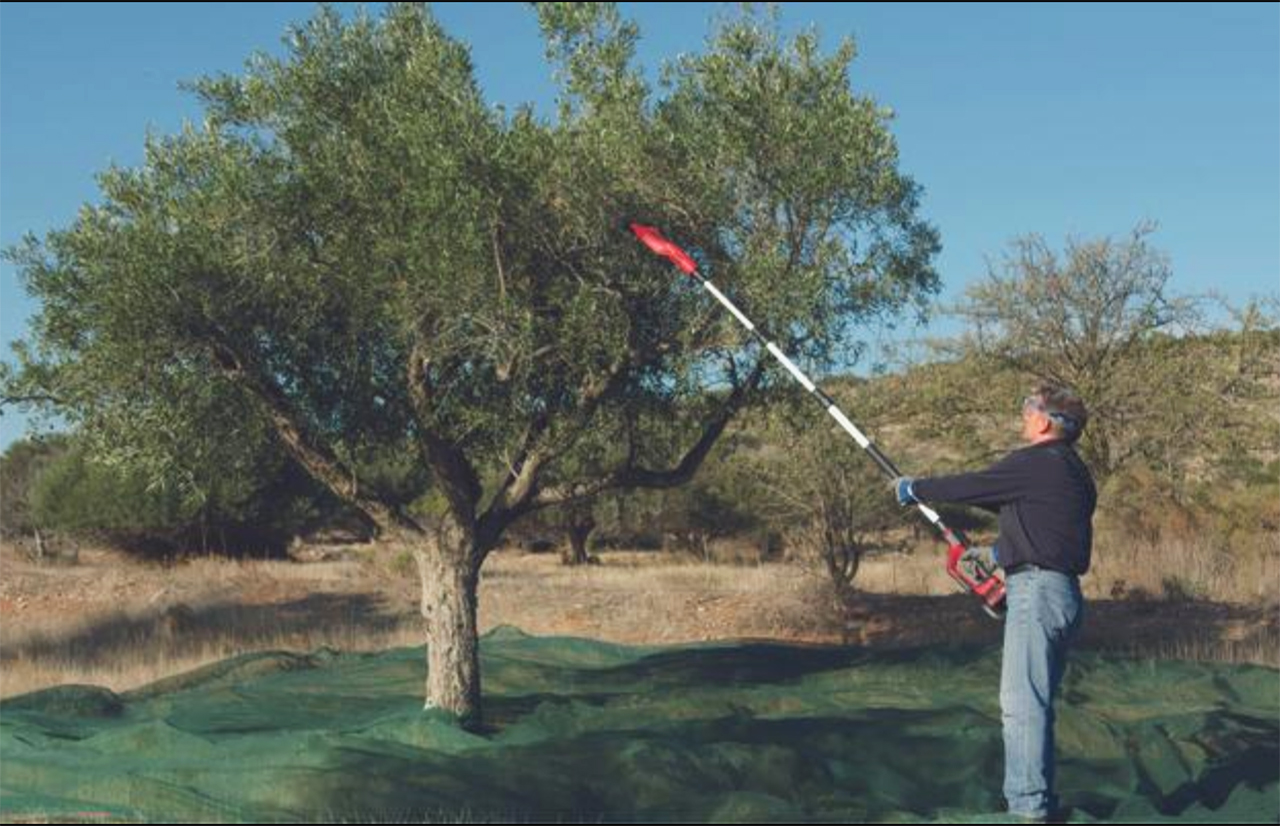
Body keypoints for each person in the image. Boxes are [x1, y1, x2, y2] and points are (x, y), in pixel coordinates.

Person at [892, 384, 1096, 823]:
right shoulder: (1075, 473)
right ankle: (1037, 801)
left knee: (1021, 705)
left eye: (1028, 412)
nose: (1024, 419)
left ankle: (1027, 810)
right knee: (1036, 702)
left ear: (1043, 421)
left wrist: (916, 488)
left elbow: (975, 485)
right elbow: (1044, 528)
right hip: (1064, 596)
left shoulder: (1034, 462)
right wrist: (996, 555)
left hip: (1037, 594)